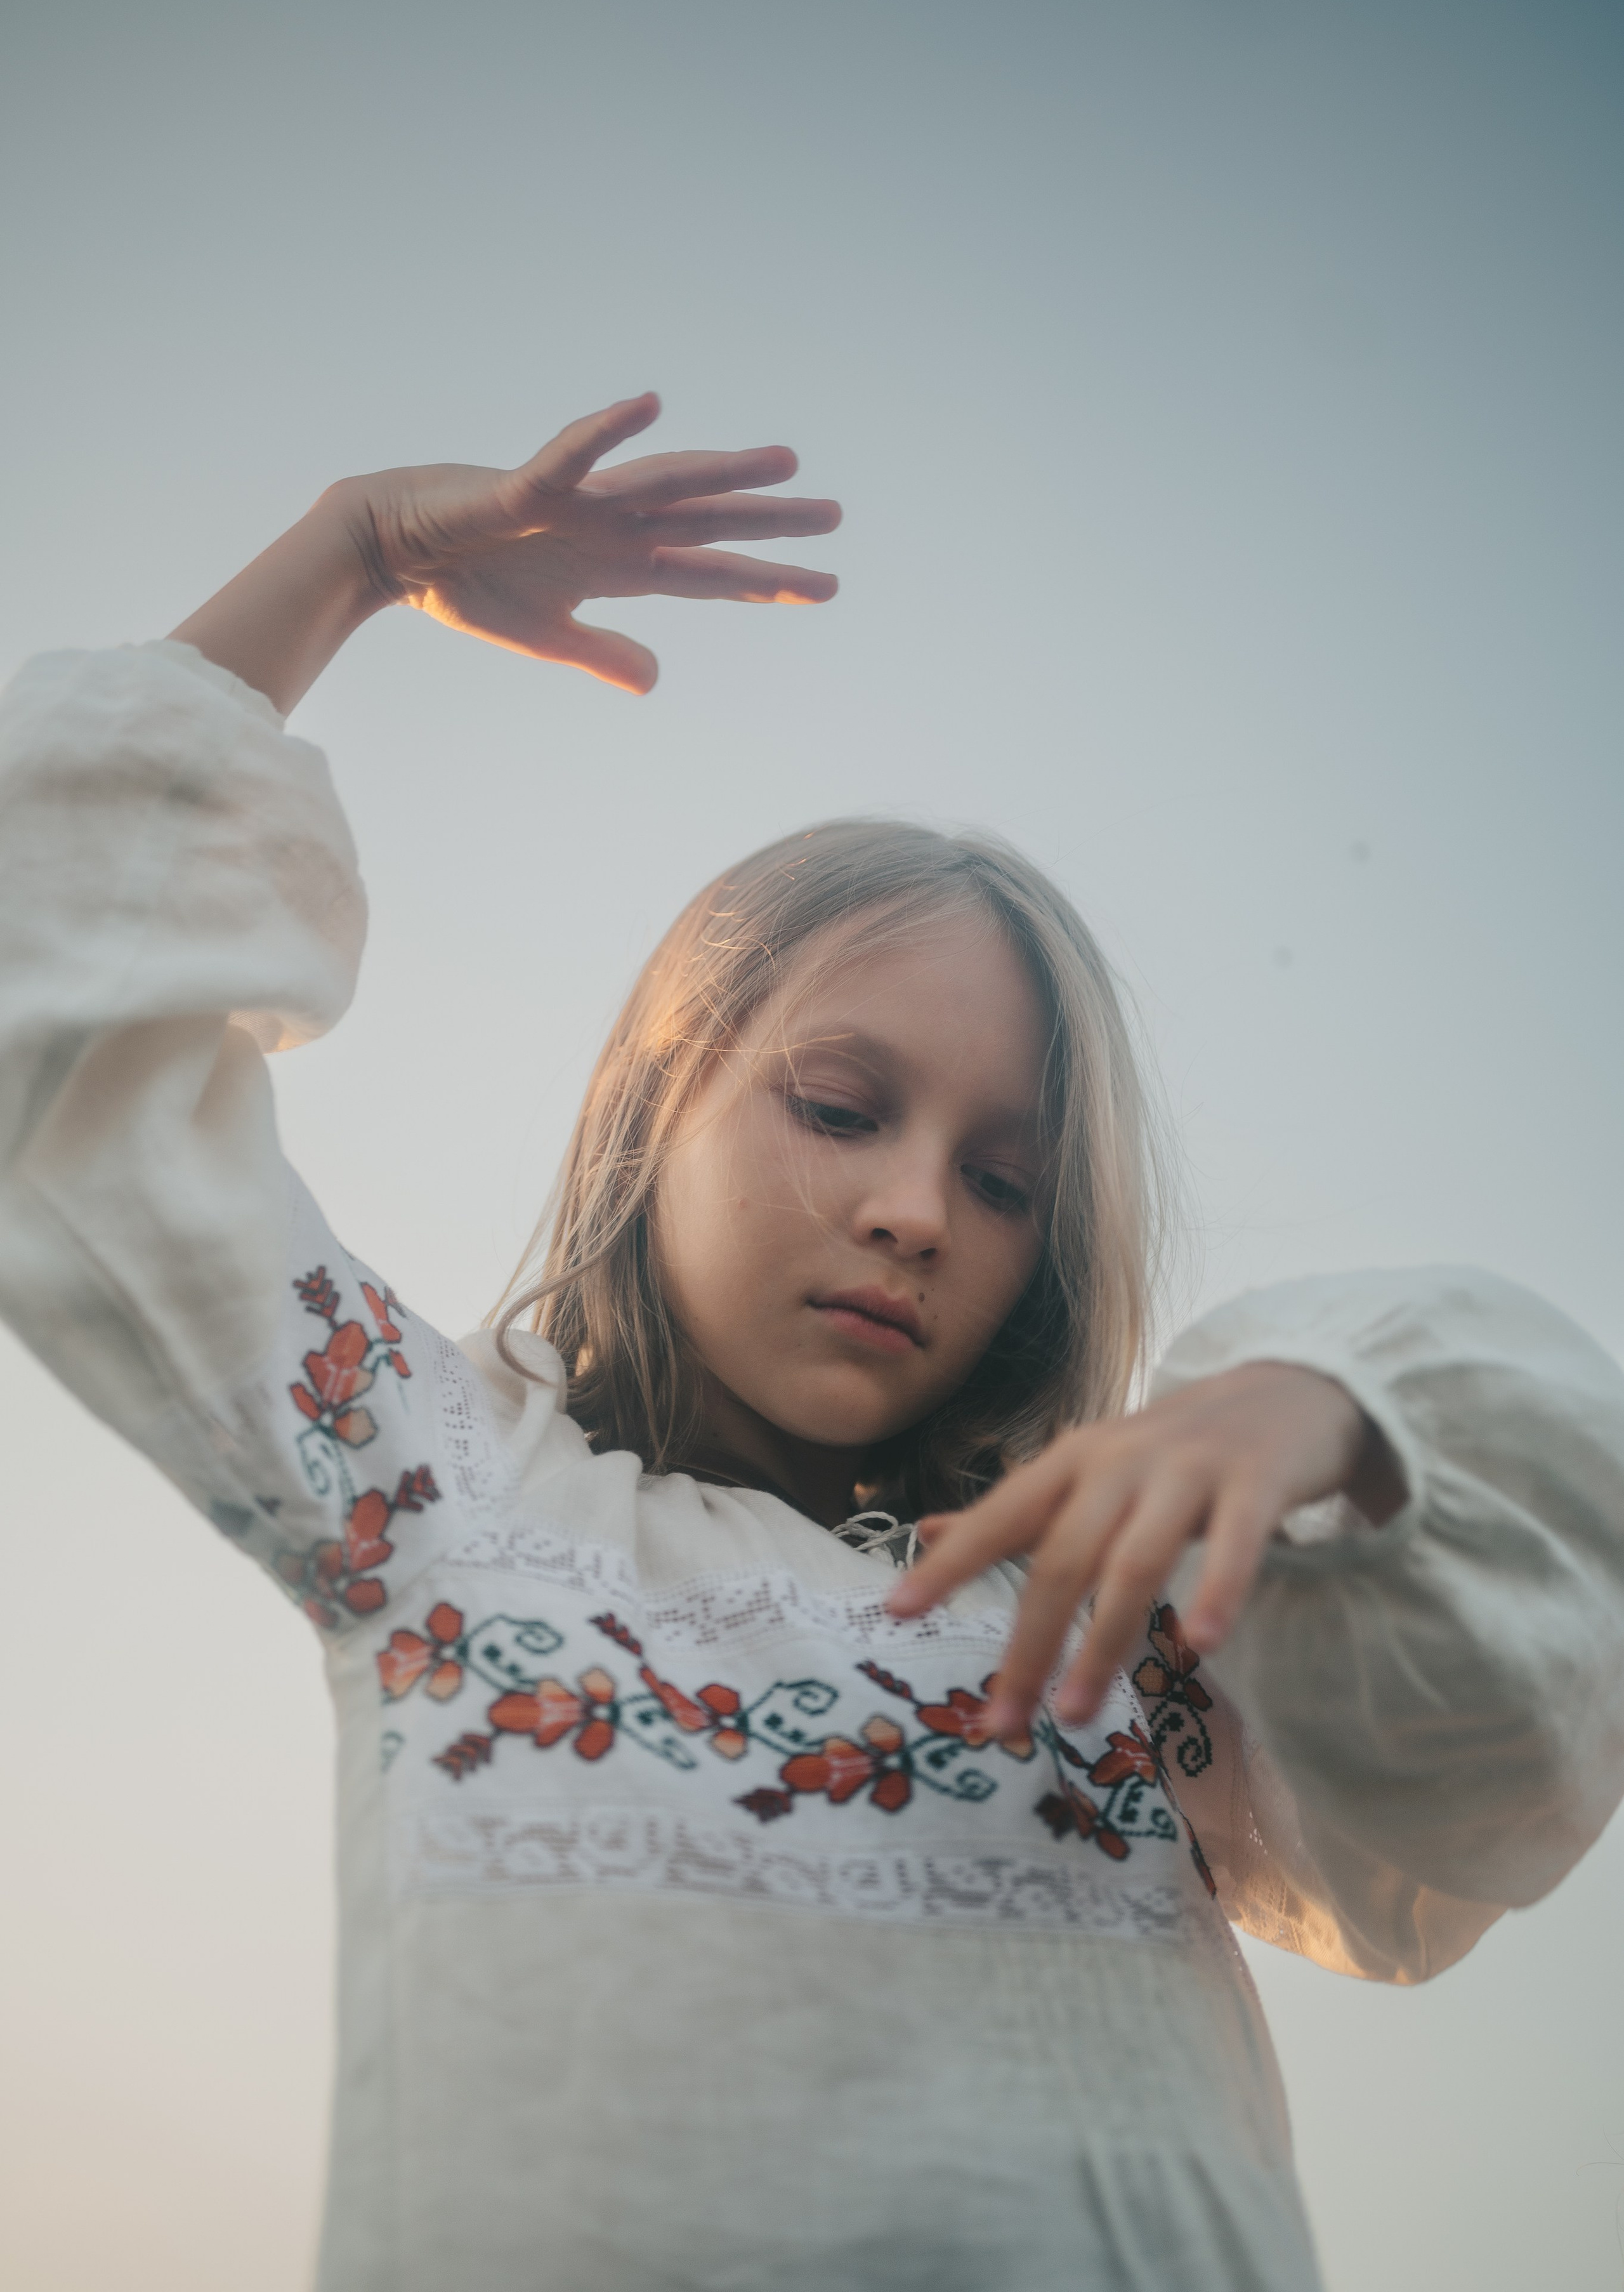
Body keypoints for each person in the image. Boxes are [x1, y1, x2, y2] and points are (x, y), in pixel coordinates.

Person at [2, 392, 1621, 2292]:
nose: (920, 1211)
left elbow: (1511, 1719)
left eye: (1007, 1181)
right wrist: (358, 551)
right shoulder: (429, 1486)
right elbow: (54, 1026)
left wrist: (1342, 1413)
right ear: (660, 1103)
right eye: (842, 1109)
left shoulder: (1126, 1616)